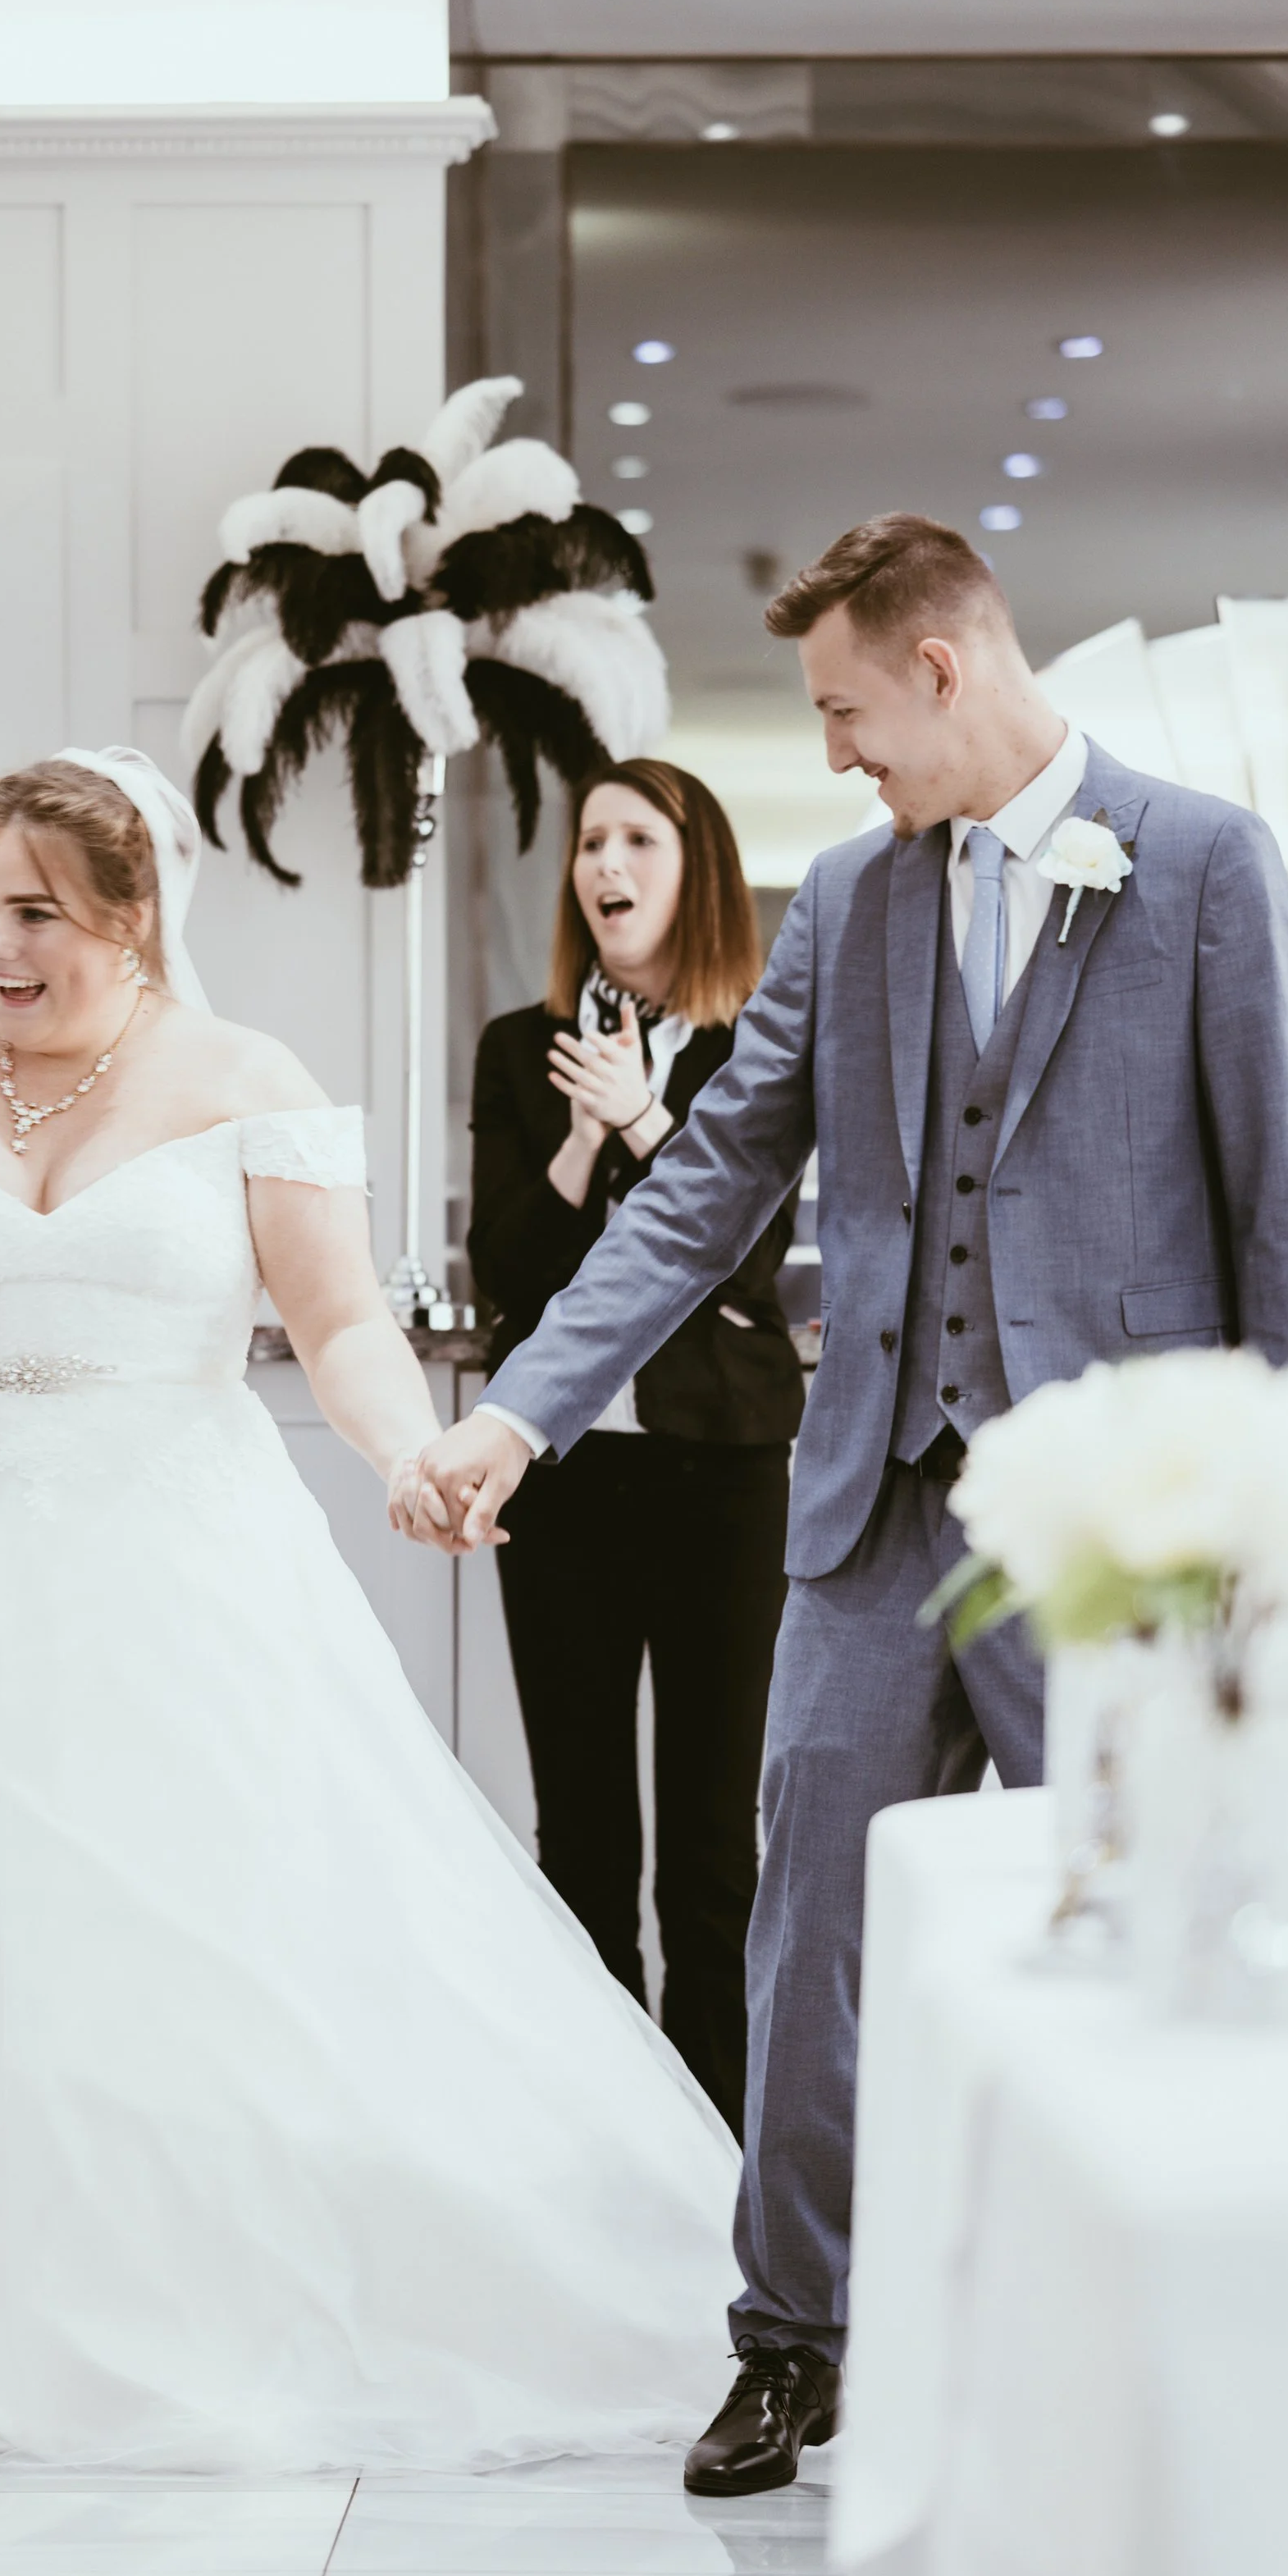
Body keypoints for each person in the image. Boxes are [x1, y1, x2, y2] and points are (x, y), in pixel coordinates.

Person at [0, 751, 738, 2470]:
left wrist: (411, 1456)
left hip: (177, 1553)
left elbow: (338, 1323)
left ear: (131, 916)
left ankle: (189, 2305)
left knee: (194, 1932)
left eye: (37, 915)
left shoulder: (244, 1081)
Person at [400, 514, 1288, 2496]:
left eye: (842, 711)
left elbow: (1280, 1215)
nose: (831, 753)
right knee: (804, 1929)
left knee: (1129, 1916)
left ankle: (1135, 2336)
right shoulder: (848, 898)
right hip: (870, 1513)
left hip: (1112, 1534)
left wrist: (1287, 1533)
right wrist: (523, 1414)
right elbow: (706, 1188)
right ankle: (790, 2341)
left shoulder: (1199, 865)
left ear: (937, 666)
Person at [469, 760, 801, 2138]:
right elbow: (509, 1271)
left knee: (714, 1846)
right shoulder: (520, 1047)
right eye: (590, 841)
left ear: (693, 867)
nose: (604, 863)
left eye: (636, 840)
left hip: (723, 1474)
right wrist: (579, 1137)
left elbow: (755, 1265)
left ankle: (717, 2146)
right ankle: (602, 2139)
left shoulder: (755, 1047)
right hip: (564, 1485)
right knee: (583, 1836)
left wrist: (655, 1121)